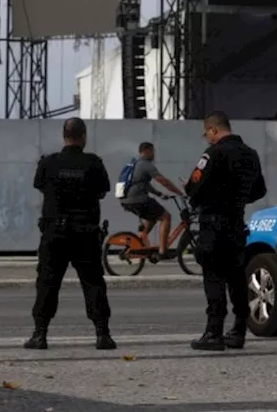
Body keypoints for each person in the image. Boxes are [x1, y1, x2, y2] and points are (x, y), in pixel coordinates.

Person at [25, 117, 116, 352]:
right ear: (84, 137)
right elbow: (102, 191)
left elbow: (40, 186)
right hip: (85, 233)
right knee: (93, 282)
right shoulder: (93, 163)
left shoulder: (49, 163)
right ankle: (102, 334)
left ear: (64, 136)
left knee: (47, 283)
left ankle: (40, 334)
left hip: (55, 233)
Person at [184, 110, 266, 351]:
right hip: (236, 224)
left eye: (206, 134)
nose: (207, 138)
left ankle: (213, 332)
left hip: (214, 224)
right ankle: (239, 329)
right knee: (236, 277)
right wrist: (237, 200)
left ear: (213, 130)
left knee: (213, 276)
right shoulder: (251, 155)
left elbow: (194, 187)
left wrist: (195, 191)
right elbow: (259, 190)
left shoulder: (214, 153)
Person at [121, 142, 184, 259]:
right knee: (166, 217)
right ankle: (162, 252)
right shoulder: (146, 164)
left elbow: (144, 185)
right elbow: (163, 181)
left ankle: (139, 241)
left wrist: (160, 194)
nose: (154, 154)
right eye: (153, 151)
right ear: (147, 151)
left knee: (152, 218)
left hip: (126, 201)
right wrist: (180, 193)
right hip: (138, 199)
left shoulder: (135, 164)